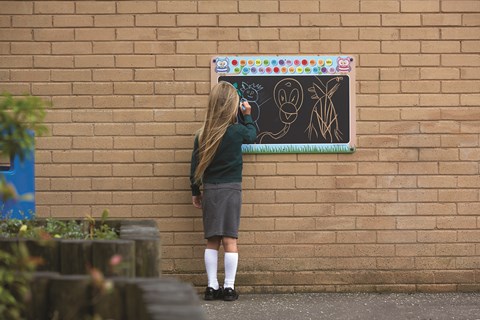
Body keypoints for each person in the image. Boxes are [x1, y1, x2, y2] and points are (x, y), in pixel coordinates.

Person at [190, 81, 257, 301]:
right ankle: (228, 288)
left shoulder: (202, 134)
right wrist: (247, 115)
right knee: (230, 240)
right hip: (231, 189)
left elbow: (194, 166)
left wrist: (195, 191)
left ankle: (211, 287)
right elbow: (252, 135)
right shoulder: (237, 131)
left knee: (212, 241)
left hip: (210, 190)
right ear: (232, 107)